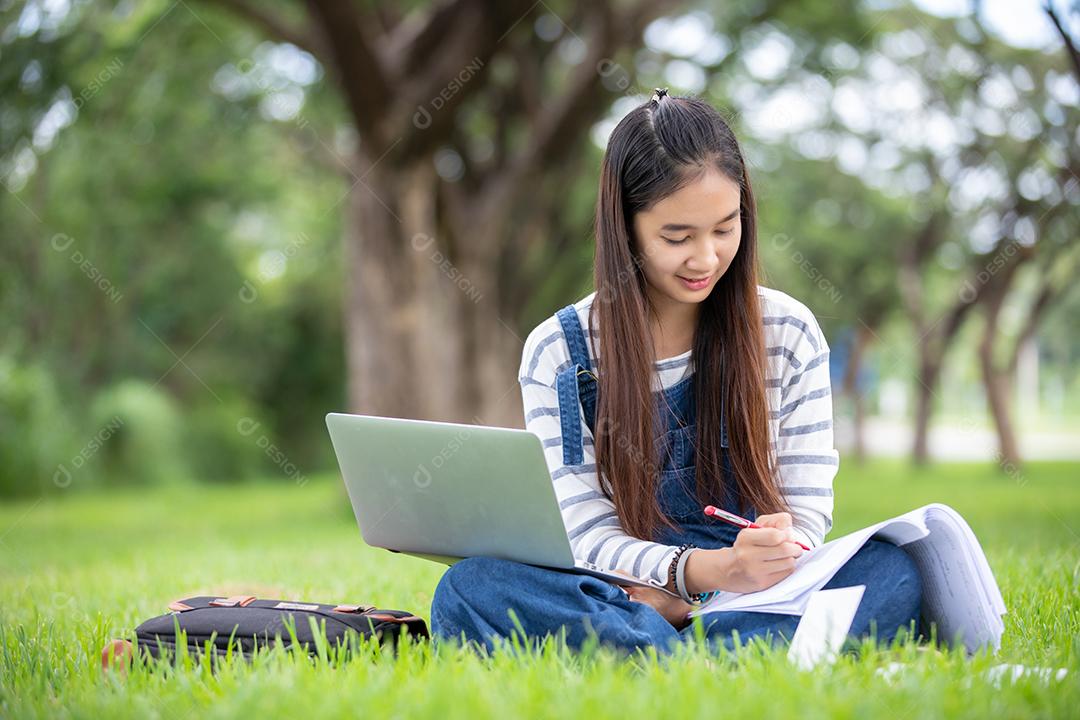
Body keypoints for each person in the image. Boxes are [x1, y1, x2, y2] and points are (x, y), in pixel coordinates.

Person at [430, 89, 923, 657]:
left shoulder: (786, 332)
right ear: (625, 226)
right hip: (624, 594)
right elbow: (584, 535)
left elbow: (807, 509)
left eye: (724, 228)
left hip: (751, 598)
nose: (707, 258)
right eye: (677, 236)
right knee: (473, 588)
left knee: (895, 572)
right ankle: (718, 658)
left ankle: (657, 656)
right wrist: (697, 573)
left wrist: (772, 554)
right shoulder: (560, 352)